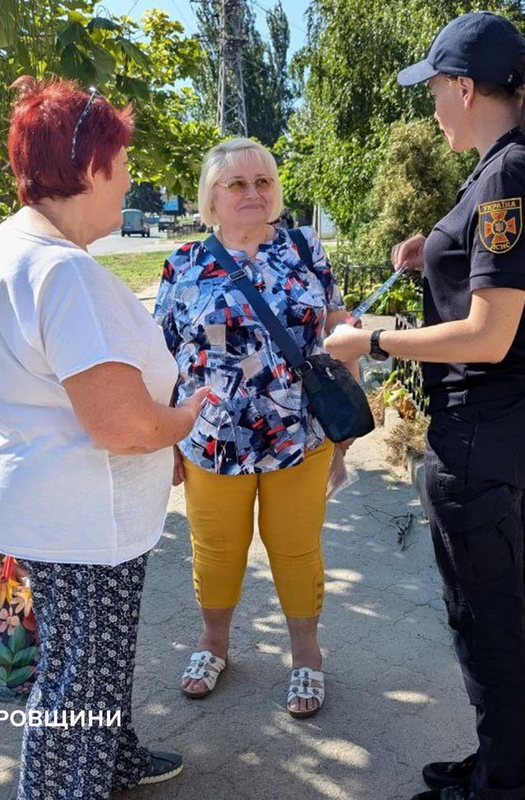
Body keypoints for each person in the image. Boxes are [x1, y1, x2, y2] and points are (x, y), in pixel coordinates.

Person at [325, 11, 525, 800]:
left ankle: (504, 788)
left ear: (465, 88)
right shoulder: (511, 165)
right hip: (512, 420)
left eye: (435, 88)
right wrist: (429, 251)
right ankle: (501, 768)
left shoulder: (507, 176)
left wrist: (371, 342)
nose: (431, 104)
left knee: (486, 623)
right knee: (498, 615)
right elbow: (486, 270)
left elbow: (490, 332)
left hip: (483, 430)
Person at [0, 76, 207, 799]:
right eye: (122, 164)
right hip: (79, 524)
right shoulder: (60, 272)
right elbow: (124, 425)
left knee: (86, 665)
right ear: (92, 167)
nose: (128, 180)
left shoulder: (12, 246)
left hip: (47, 511)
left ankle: (118, 761)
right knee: (75, 694)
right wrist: (184, 420)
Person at [154, 138, 356, 719]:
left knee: (296, 549)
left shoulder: (305, 247)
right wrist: (167, 435)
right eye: (236, 184)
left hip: (301, 433)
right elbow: (161, 355)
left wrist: (347, 414)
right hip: (212, 437)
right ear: (211, 197)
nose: (252, 193)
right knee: (216, 550)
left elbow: (337, 328)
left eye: (263, 182)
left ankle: (306, 655)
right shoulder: (184, 262)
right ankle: (213, 644)